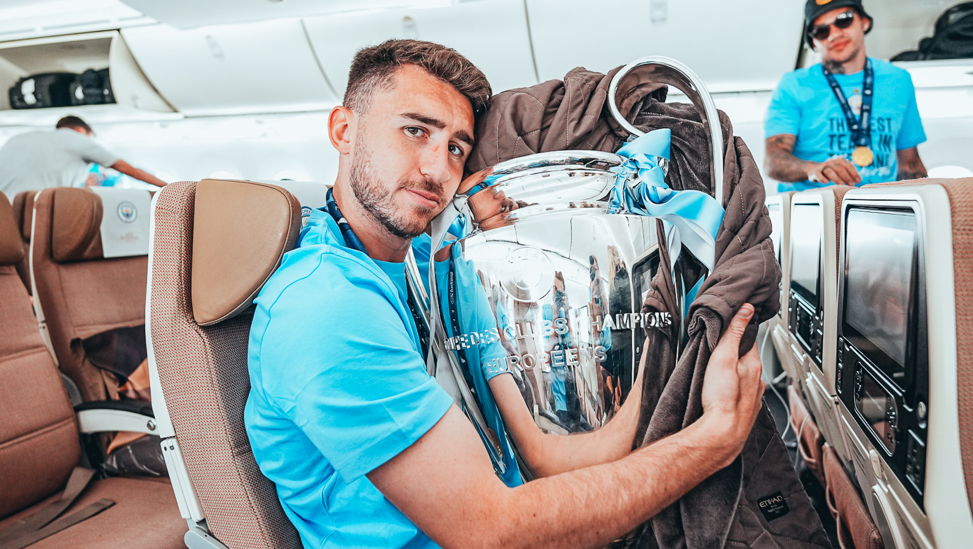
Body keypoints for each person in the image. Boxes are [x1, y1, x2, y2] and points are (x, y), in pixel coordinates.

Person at [245, 39, 764, 549]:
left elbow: (541, 458)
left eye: (455, 147)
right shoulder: (324, 305)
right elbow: (492, 530)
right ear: (344, 130)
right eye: (414, 130)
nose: (437, 170)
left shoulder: (433, 270)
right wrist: (710, 440)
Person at [764, 0, 928, 193]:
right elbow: (773, 161)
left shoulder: (899, 80)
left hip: (883, 206)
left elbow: (910, 165)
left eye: (844, 20)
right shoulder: (794, 85)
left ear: (864, 22)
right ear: (814, 43)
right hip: (815, 206)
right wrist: (813, 169)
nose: (834, 34)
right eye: (822, 31)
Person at [0, 115, 167, 200]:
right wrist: (169, 187)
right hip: (31, 211)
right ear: (81, 131)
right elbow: (129, 170)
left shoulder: (18, 138)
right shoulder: (76, 138)